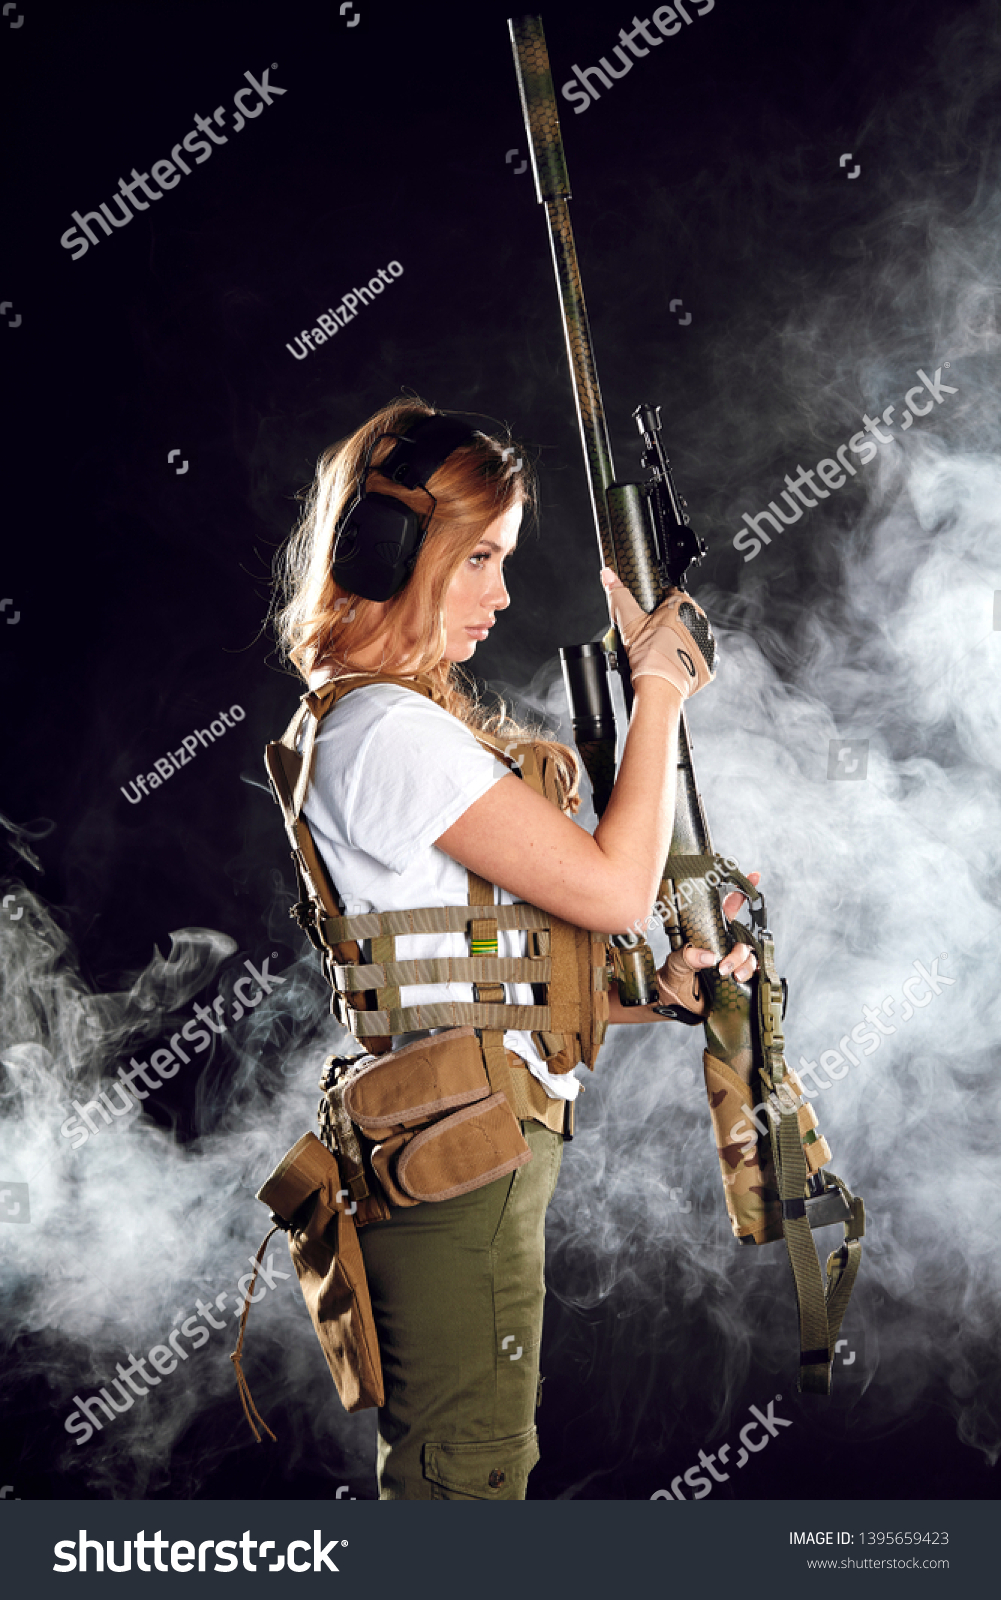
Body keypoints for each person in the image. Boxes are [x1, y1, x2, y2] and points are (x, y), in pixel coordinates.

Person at [271, 397, 758, 1500]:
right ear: (392, 553)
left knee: (469, 1469)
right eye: (478, 557)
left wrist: (656, 990)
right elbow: (615, 884)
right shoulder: (385, 731)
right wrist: (659, 686)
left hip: (469, 1143)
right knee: (466, 1481)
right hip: (463, 1164)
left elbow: (470, 956)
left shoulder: (373, 721)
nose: (498, 593)